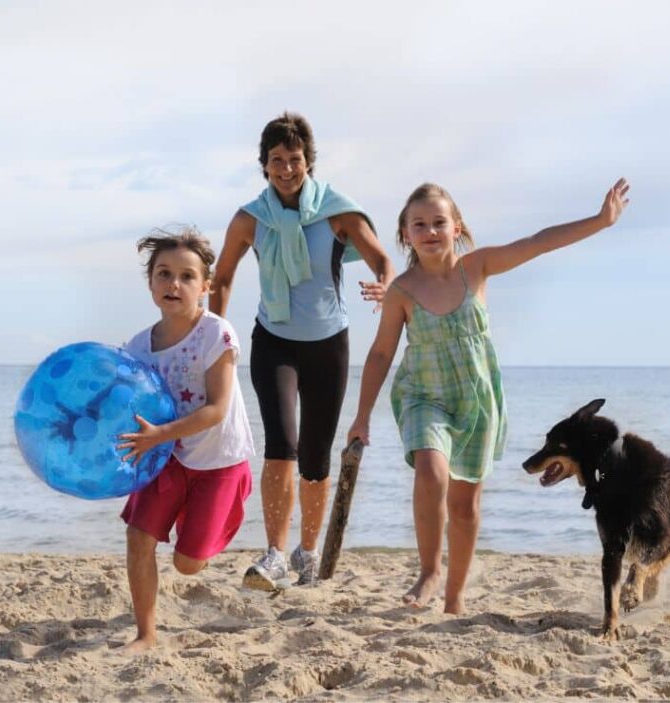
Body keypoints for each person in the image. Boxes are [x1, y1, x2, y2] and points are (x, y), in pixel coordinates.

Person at [346, 178, 631, 614]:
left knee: (464, 506)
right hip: (425, 397)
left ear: (457, 227)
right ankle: (429, 572)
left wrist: (600, 221)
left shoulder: (476, 268)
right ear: (405, 234)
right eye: (418, 224)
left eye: (439, 222)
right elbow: (382, 352)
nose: (430, 231)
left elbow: (537, 243)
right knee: (430, 473)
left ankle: (455, 597)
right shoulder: (401, 291)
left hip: (476, 402)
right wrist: (362, 415)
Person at [210, 112, 395, 589]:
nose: (286, 169)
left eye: (295, 160)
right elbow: (224, 274)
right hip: (274, 342)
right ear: (264, 165)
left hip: (328, 345)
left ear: (309, 162)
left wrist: (384, 285)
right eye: (276, 161)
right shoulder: (251, 218)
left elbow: (381, 259)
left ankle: (307, 553)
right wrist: (214, 329)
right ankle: (273, 554)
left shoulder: (336, 211)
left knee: (315, 458)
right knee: (281, 446)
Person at [115, 227, 256, 652]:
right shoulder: (138, 347)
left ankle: (213, 516)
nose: (173, 284)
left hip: (218, 459)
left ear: (205, 286)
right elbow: (122, 404)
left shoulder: (216, 334)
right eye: (163, 274)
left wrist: (161, 433)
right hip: (165, 458)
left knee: (188, 564)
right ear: (151, 283)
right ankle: (146, 634)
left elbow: (215, 409)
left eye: (186, 276)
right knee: (138, 538)